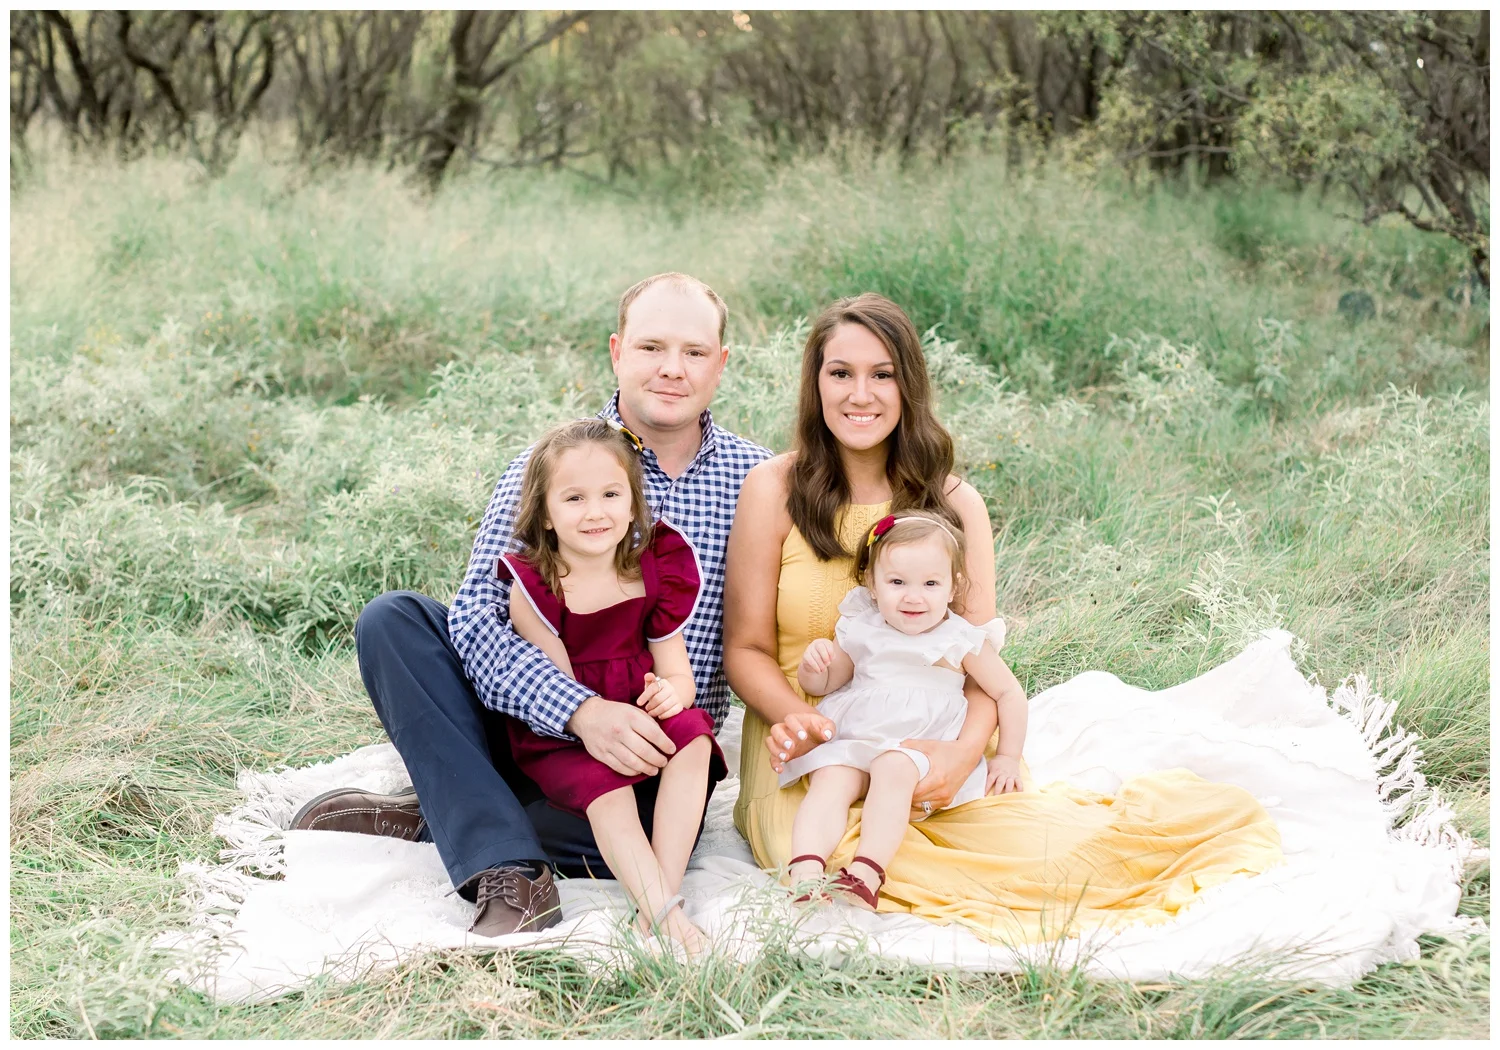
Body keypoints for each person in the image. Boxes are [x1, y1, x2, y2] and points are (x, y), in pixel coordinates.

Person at [724, 292, 1284, 943]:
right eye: (840, 372)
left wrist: (962, 755)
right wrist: (797, 719)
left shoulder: (956, 504)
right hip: (810, 740)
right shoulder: (775, 488)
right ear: (815, 381)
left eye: (883, 374)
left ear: (909, 385)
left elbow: (979, 669)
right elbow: (746, 648)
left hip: (930, 735)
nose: (861, 394)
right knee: (832, 857)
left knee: (1031, 864)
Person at [291, 273, 769, 938]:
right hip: (535, 734)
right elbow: (477, 621)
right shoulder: (549, 465)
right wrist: (579, 711)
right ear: (617, 352)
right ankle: (512, 872)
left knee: (628, 830)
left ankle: (454, 809)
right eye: (651, 347)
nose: (671, 368)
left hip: (650, 762)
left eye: (694, 352)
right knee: (394, 621)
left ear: (721, 362)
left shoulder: (758, 480)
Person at [499, 417, 726, 954]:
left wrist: (671, 694)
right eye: (574, 498)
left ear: (632, 503)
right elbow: (561, 694)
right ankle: (664, 914)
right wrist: (598, 721)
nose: (595, 512)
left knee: (694, 736)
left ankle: (662, 892)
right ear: (546, 513)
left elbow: (678, 674)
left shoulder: (654, 569)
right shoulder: (535, 586)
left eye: (610, 494)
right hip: (572, 731)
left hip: (638, 709)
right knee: (608, 788)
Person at [783, 510, 1026, 908]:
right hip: (859, 738)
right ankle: (805, 872)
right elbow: (825, 684)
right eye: (897, 582)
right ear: (872, 584)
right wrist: (814, 665)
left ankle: (865, 873)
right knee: (830, 777)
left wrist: (1008, 757)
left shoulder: (959, 638)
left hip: (918, 748)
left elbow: (1009, 693)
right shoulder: (861, 626)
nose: (914, 596)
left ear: (953, 587)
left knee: (893, 767)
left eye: (931, 583)